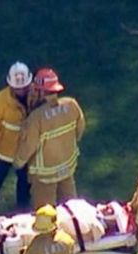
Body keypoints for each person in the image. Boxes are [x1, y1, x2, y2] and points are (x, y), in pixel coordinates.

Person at [13, 68, 85, 209]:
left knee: (45, 216)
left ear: (41, 92)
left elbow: (29, 146)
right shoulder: (71, 105)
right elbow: (80, 129)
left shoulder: (36, 118)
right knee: (72, 210)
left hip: (44, 175)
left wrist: (18, 163)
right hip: (67, 167)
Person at [0, 61, 33, 219]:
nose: (21, 90)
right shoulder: (1, 100)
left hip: (25, 148)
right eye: (18, 87)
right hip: (4, 149)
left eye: (24, 87)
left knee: (25, 181)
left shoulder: (34, 96)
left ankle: (23, 208)